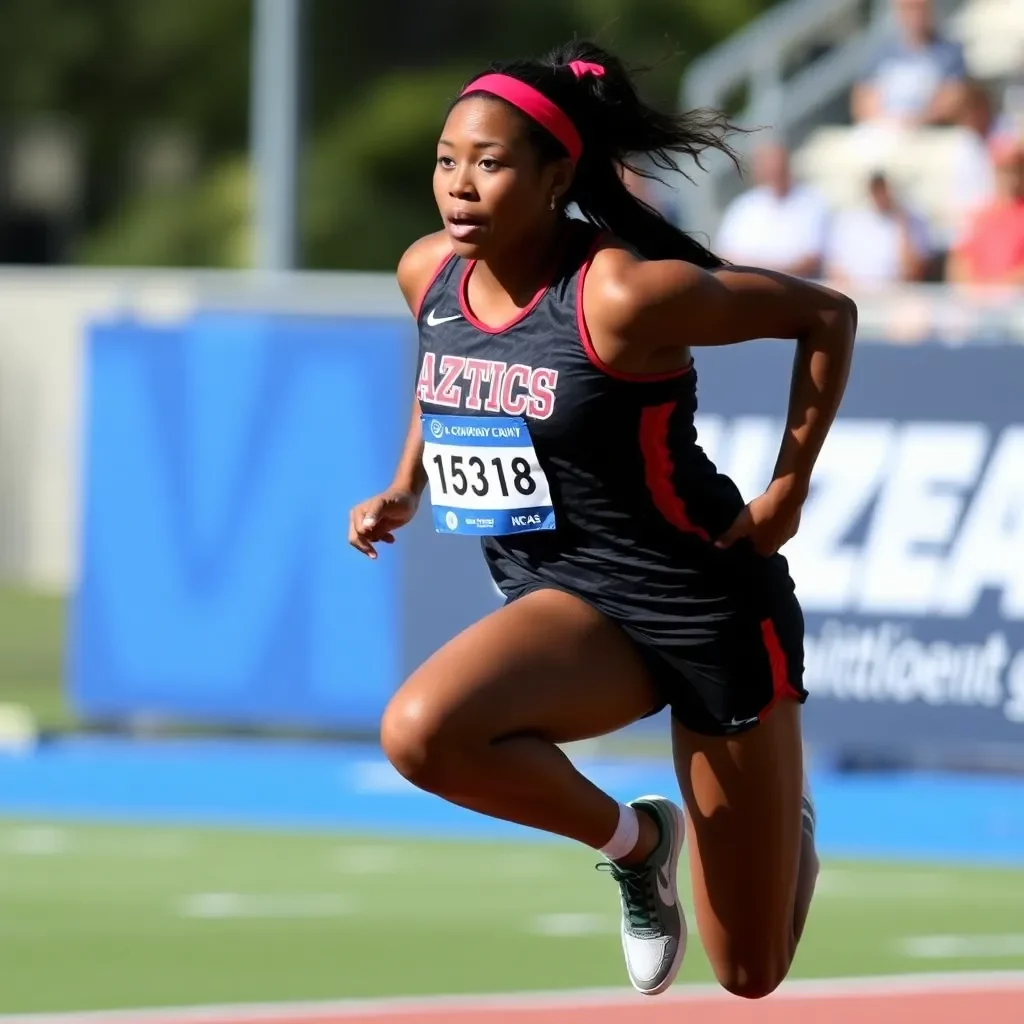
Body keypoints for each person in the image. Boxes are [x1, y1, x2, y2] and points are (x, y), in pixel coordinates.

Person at [348, 40, 856, 1001]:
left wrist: (789, 487)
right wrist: (405, 483)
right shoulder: (429, 274)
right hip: (570, 601)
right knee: (421, 733)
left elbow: (826, 316)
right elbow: (442, 371)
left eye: (490, 164)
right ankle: (638, 843)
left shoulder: (622, 293)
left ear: (555, 178)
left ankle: (782, 822)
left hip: (705, 611)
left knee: (751, 973)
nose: (459, 185)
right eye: (448, 159)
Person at [714, 140, 830, 279]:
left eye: (777, 168)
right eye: (767, 168)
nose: (773, 173)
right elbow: (725, 256)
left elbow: (809, 262)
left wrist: (759, 269)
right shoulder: (743, 205)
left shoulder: (812, 202)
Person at [852, 0, 968, 129]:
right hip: (885, 132)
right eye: (909, 8)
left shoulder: (950, 52)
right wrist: (889, 123)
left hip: (930, 133)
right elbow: (862, 100)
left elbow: (953, 100)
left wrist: (914, 121)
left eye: (920, 8)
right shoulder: (880, 52)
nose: (915, 15)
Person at [824, 170, 931, 286]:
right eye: (876, 189)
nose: (881, 194)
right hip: (855, 294)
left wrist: (902, 227)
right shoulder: (848, 220)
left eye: (884, 188)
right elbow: (835, 270)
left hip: (897, 295)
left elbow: (912, 273)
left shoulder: (913, 221)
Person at [947, 133, 1024, 285]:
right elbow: (959, 261)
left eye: (1016, 170)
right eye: (1004, 170)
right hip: (978, 305)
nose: (1010, 177)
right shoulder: (979, 216)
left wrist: (996, 290)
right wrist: (975, 291)